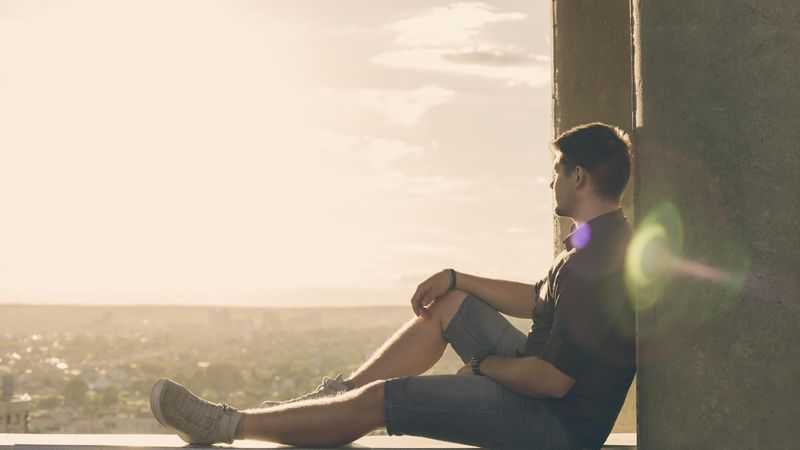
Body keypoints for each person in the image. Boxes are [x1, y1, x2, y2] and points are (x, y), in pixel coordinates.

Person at [149, 122, 635, 450]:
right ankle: (333, 401)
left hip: (555, 427)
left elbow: (553, 383)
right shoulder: (593, 243)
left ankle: (225, 425)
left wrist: (483, 366)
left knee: (382, 400)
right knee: (453, 304)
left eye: (557, 171)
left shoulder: (599, 267)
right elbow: (539, 299)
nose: (550, 181)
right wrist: (455, 277)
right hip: (544, 387)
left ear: (578, 175)